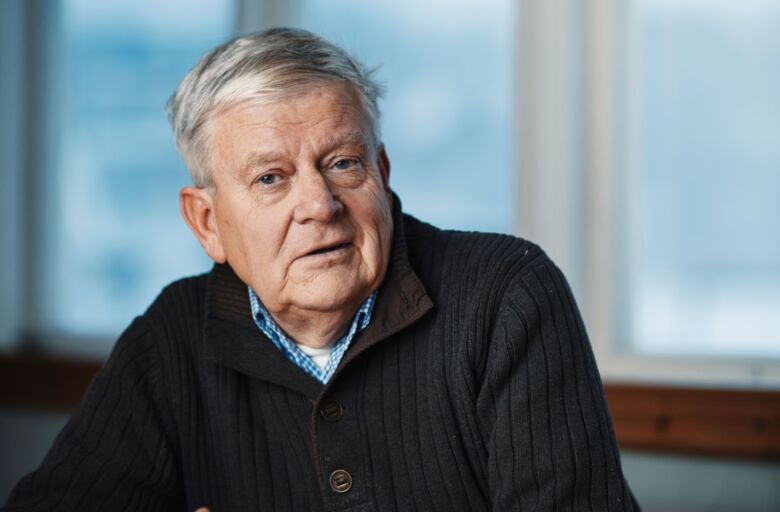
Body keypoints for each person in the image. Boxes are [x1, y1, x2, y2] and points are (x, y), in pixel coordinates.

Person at [3, 28, 639, 511]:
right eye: (271, 178)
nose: (319, 206)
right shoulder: (172, 336)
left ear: (382, 176)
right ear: (207, 224)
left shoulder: (507, 294)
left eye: (342, 163)